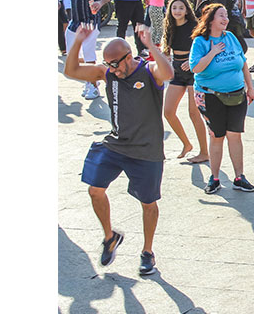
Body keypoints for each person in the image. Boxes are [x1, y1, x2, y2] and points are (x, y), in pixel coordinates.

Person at [63, 23, 172, 276]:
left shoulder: (149, 71)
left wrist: (152, 46)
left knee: (148, 203)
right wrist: (79, 41)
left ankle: (147, 252)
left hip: (147, 150)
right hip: (116, 144)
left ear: (128, 56)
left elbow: (167, 73)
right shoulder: (108, 73)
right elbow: (71, 70)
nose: (112, 68)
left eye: (115, 63)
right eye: (108, 63)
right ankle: (110, 237)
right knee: (95, 190)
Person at [189, 3, 254, 194]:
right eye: (221, 15)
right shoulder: (200, 42)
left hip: (237, 95)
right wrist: (212, 52)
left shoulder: (232, 38)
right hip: (210, 96)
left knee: (235, 135)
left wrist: (250, 88)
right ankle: (215, 177)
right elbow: (195, 68)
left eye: (226, 15)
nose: (225, 18)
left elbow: (243, 63)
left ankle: (239, 177)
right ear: (210, 20)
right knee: (217, 136)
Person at [57, 0, 114, 99]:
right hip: (75, 21)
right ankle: (94, 74)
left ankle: (92, 86)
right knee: (72, 56)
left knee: (89, 55)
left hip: (90, 22)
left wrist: (100, 3)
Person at [161, 0, 209, 163]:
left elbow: (204, 48)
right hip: (176, 70)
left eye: (181, 8)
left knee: (193, 113)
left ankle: (204, 152)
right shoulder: (169, 26)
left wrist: (192, 62)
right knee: (168, 112)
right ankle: (186, 144)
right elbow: (166, 50)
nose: (177, 11)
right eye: (174, 8)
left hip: (192, 72)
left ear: (186, 10)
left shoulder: (194, 26)